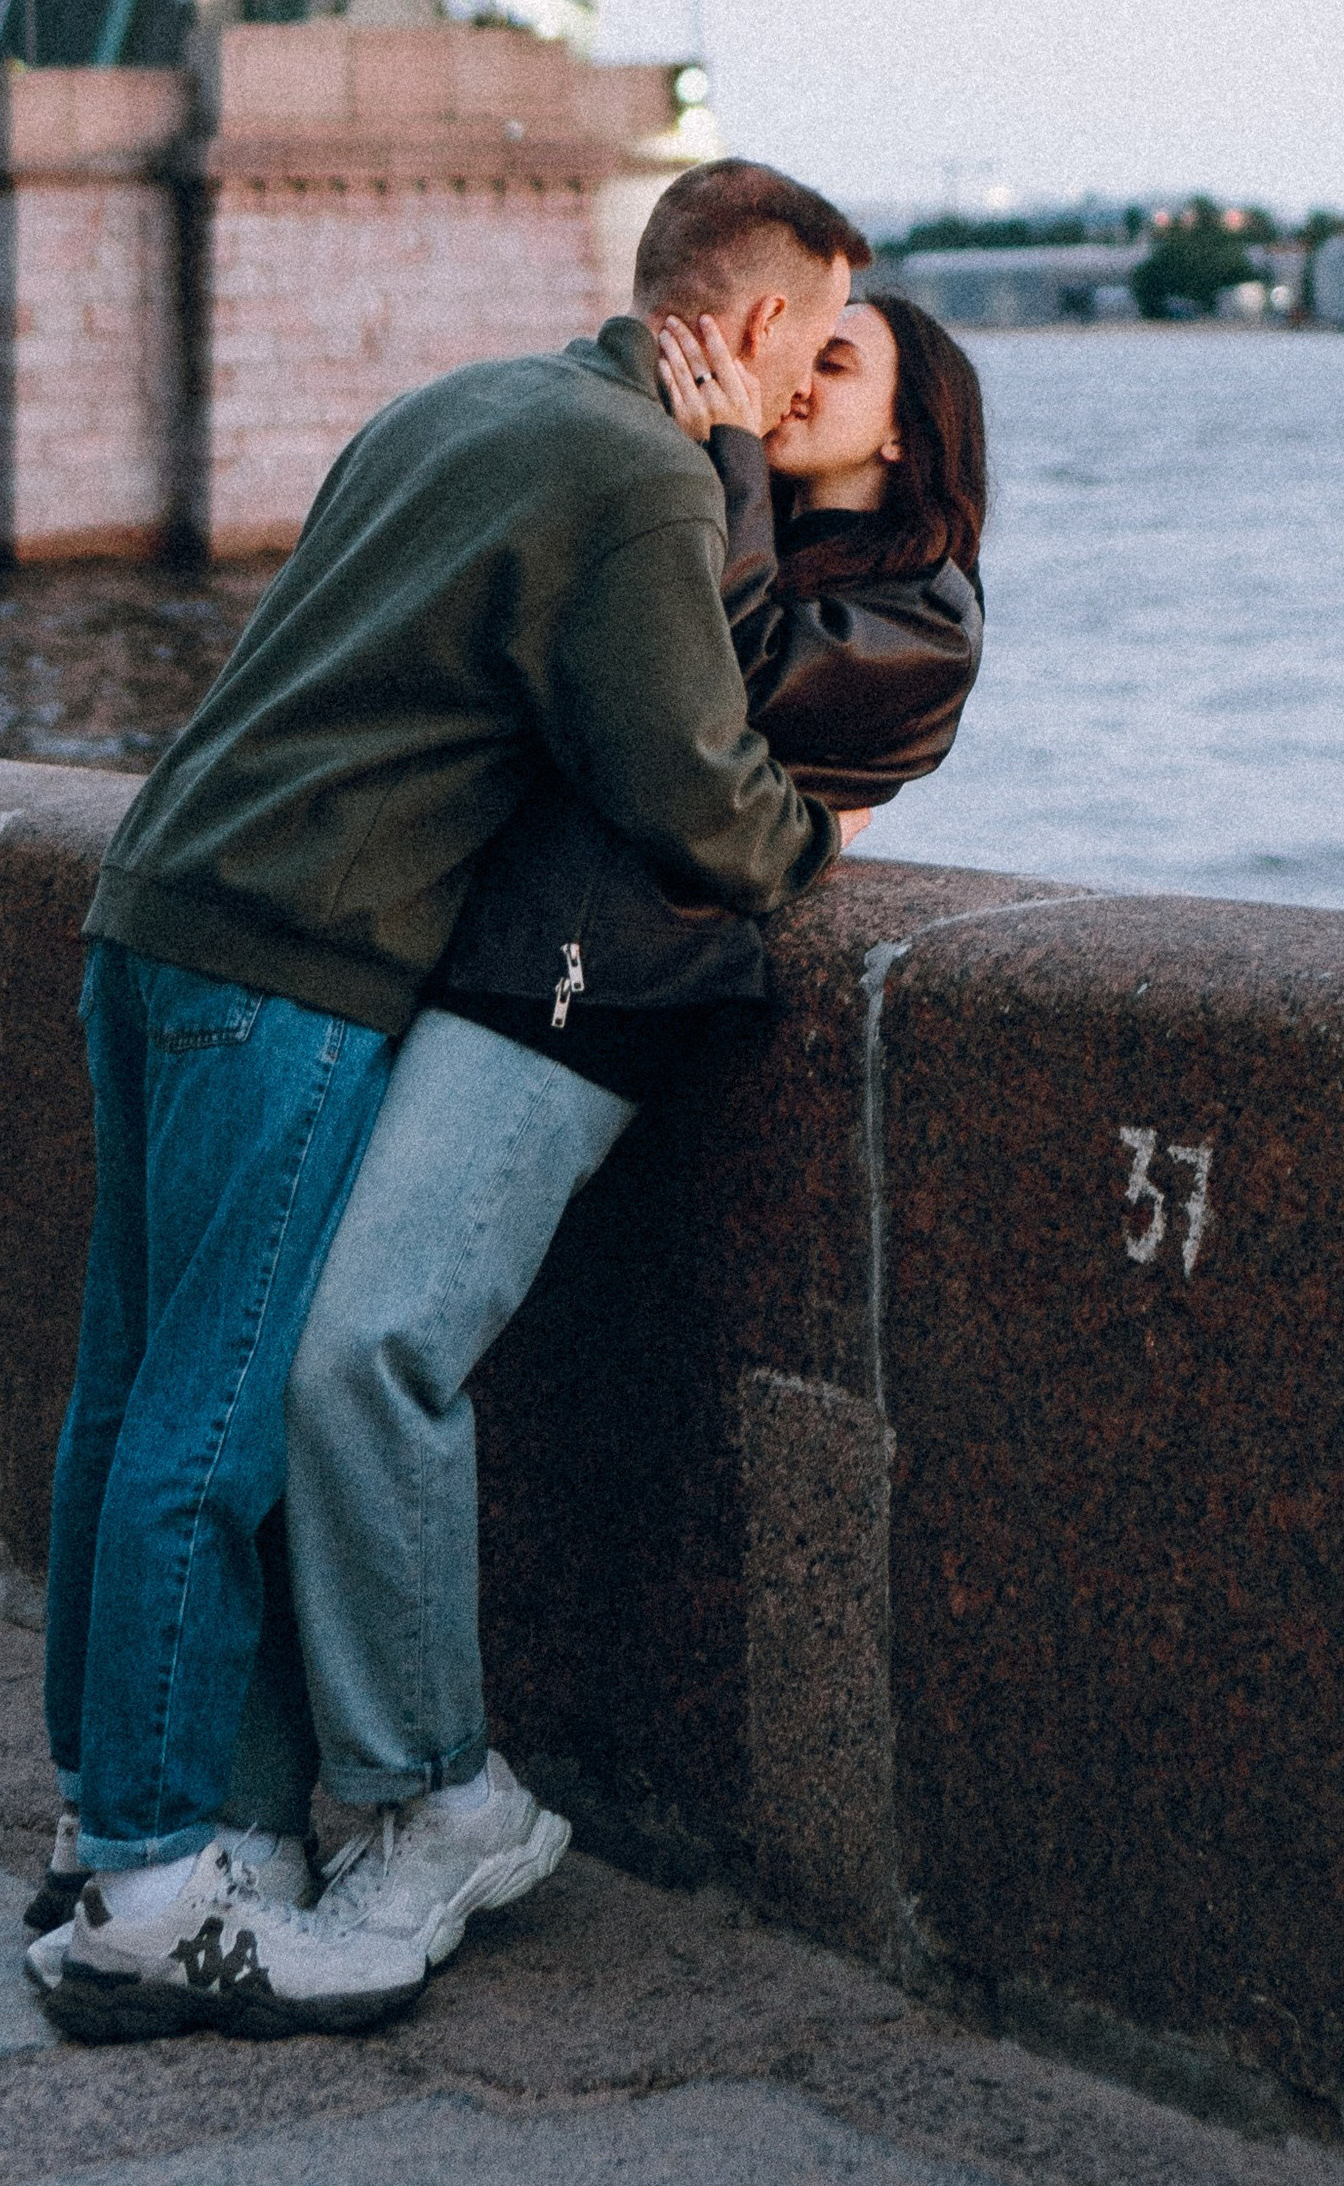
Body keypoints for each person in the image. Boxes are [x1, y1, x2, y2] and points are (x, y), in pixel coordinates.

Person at [36, 159, 871, 2045]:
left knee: (117, 1396)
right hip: (296, 960)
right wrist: (817, 842)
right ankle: (162, 1891)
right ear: (748, 329)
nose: (813, 377)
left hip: (151, 913)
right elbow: (687, 783)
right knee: (215, 1424)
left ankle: (104, 1826)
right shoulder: (642, 473)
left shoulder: (451, 403)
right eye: (814, 342)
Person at [228, 280, 987, 1986]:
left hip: (589, 1000)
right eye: (789, 350)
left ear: (910, 426)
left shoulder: (917, 616)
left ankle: (439, 1800)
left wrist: (715, 449)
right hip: (475, 960)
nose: (793, 378)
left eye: (836, 364)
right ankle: (296, 1800)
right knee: (298, 1359)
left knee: (370, 1352)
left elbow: (713, 703)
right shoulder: (699, 506)